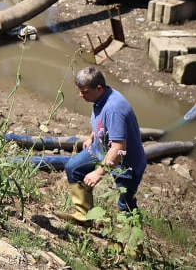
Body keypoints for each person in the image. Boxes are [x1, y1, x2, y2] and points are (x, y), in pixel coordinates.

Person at [60, 66, 146, 225]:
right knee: (73, 168)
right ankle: (83, 216)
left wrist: (98, 173)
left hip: (126, 165)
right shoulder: (100, 98)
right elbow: (103, 123)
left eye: (84, 91)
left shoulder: (114, 108)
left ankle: (133, 247)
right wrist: (92, 136)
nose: (80, 95)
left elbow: (119, 149)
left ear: (98, 88)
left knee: (125, 205)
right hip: (101, 149)